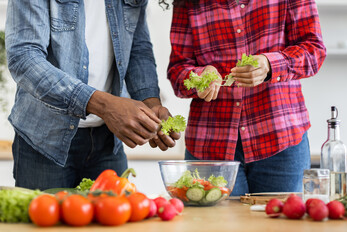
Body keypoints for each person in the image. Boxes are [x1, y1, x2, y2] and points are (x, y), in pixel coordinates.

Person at [5, 0, 180, 190]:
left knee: (115, 216)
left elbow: (138, 49)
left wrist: (151, 103)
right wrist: (104, 106)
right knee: (46, 218)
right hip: (45, 140)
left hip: (108, 140)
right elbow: (24, 58)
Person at [167, 0, 326, 196]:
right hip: (210, 146)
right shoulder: (188, 3)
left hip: (281, 139)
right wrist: (197, 77)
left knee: (282, 225)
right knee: (210, 226)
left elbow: (314, 50)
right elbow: (177, 69)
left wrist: (270, 65)